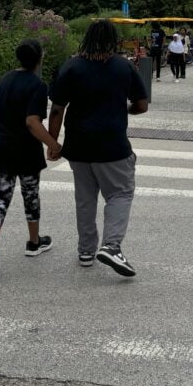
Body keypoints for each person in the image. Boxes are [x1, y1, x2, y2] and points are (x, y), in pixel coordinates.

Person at [47, 20, 148, 278]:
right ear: (113, 40)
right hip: (113, 145)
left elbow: (57, 108)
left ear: (87, 38)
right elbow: (141, 104)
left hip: (78, 146)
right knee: (120, 194)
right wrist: (125, 109)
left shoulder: (72, 66)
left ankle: (85, 251)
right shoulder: (123, 66)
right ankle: (112, 246)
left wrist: (52, 143)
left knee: (85, 198)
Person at [0, 39, 62, 276]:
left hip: (1, 147)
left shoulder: (3, 80)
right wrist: (53, 144)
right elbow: (32, 122)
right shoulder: (37, 85)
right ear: (39, 59)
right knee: (30, 195)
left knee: (1, 198)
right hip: (25, 150)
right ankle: (34, 242)